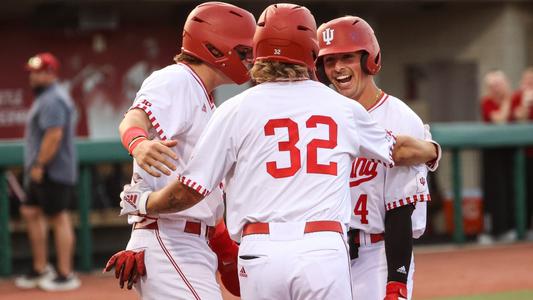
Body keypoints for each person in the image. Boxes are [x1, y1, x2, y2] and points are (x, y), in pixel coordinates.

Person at [117, 4, 439, 299]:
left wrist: (143, 203)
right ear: (312, 51)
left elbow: (189, 191)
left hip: (260, 250)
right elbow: (396, 149)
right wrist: (431, 149)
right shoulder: (340, 107)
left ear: (259, 50)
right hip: (323, 247)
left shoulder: (234, 109)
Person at [103, 2, 256, 299]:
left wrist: (223, 248)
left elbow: (203, 187)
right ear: (215, 47)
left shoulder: (206, 97)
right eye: (243, 51)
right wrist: (139, 143)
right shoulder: (178, 78)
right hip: (169, 236)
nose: (250, 59)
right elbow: (134, 119)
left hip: (188, 238)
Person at [316, 16, 440, 300]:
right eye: (329, 61)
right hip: (326, 254)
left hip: (378, 254)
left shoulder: (399, 117)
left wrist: (396, 280)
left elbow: (400, 209)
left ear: (369, 59)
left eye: (347, 57)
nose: (337, 68)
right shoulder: (322, 115)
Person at [15, 52, 80, 291]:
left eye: (38, 72)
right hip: (41, 170)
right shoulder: (45, 98)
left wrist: (40, 165)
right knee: (30, 211)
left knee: (58, 217)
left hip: (53, 170)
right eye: (32, 72)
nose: (33, 77)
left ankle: (65, 274)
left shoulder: (53, 99)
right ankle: (41, 267)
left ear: (51, 74)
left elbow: (54, 135)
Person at [480, 70, 517, 242]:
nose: (496, 89)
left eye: (499, 85)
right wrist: (508, 100)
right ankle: (494, 230)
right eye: (492, 86)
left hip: (512, 152)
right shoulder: (487, 102)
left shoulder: (515, 99)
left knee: (513, 188)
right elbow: (499, 120)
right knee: (495, 191)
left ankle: (515, 227)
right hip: (492, 153)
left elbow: (521, 117)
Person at [512, 67, 533, 236]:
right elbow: (519, 119)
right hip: (524, 155)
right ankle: (524, 228)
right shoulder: (518, 97)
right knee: (524, 193)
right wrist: (526, 102)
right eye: (527, 81)